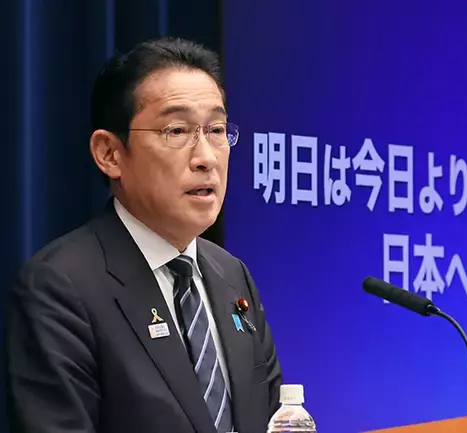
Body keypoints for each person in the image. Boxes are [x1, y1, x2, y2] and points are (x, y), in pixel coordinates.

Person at [5, 37, 282, 433]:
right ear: (110, 154)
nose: (206, 157)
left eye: (216, 129)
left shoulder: (231, 275)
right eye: (176, 130)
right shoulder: (61, 287)